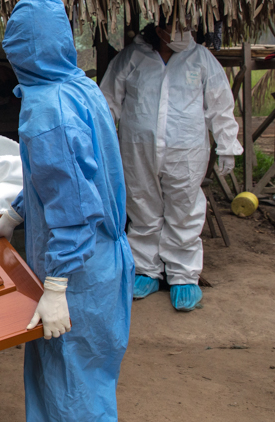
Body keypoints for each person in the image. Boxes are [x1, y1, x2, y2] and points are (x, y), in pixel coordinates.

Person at [0, 0, 133, 422]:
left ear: (22, 50)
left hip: (80, 264)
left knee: (76, 377)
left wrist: (59, 285)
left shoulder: (45, 111)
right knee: (56, 365)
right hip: (95, 256)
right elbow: (64, 180)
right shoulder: (80, 87)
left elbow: (72, 206)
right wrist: (19, 212)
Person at [99, 17, 242, 311]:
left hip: (186, 151)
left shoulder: (201, 59)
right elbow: (107, 101)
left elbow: (220, 104)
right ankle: (146, 270)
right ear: (158, 27)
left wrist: (227, 144)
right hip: (137, 149)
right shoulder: (132, 58)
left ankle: (184, 275)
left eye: (186, 25)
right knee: (142, 206)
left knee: (184, 207)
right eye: (174, 25)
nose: (181, 31)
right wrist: (97, 140)